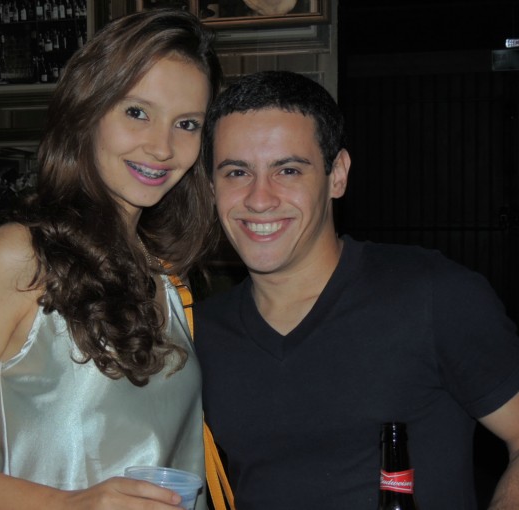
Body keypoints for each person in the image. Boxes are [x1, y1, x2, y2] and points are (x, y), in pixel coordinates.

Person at [0, 9, 222, 510]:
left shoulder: (165, 272)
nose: (162, 147)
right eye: (137, 112)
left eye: (186, 124)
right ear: (88, 111)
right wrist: (66, 506)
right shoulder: (21, 257)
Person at [195, 70, 519, 509]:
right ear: (211, 188)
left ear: (337, 175)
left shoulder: (433, 295)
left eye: (288, 170)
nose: (259, 198)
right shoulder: (199, 334)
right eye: (237, 172)